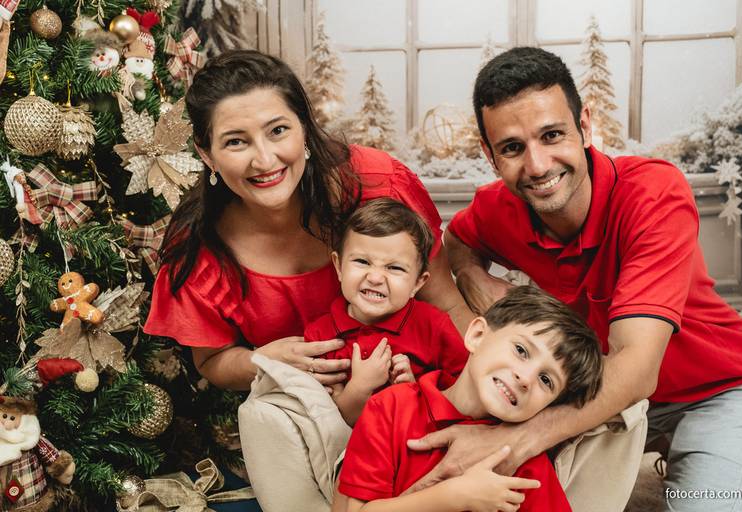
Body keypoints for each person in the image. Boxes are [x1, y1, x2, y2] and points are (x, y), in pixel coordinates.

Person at [409, 46, 742, 511]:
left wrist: (517, 439)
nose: (537, 166)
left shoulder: (653, 194)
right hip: (596, 395)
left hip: (715, 391)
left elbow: (637, 367)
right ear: (489, 154)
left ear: (585, 126)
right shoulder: (499, 207)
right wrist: (470, 274)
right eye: (512, 148)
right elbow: (455, 241)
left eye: (552, 135)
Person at [143, 50, 472, 393]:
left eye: (278, 130)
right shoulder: (200, 250)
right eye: (236, 141)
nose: (265, 159)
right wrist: (263, 362)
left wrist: (470, 410)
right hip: (304, 417)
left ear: (304, 127)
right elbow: (213, 360)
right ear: (207, 154)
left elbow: (448, 305)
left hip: (420, 398)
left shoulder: (378, 185)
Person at [332, 286, 603, 512]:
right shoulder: (392, 407)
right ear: (477, 336)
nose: (526, 378)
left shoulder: (524, 462)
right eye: (521, 350)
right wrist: (453, 496)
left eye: (546, 380)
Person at [304, 198, 468, 425]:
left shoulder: (433, 325)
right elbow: (335, 424)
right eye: (362, 261)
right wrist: (360, 386)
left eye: (394, 268)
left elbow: (465, 393)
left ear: (418, 284)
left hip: (420, 441)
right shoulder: (321, 336)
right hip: (355, 448)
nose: (375, 277)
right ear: (339, 267)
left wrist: (415, 390)